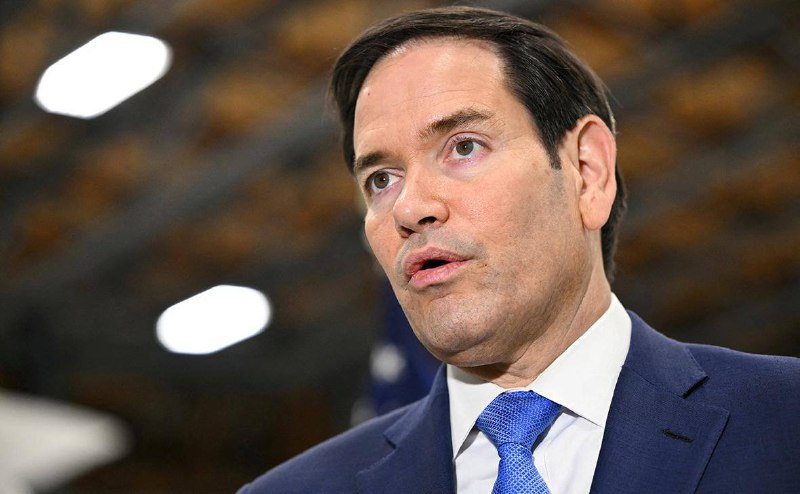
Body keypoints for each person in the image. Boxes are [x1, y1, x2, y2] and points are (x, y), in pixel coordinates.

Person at [239, 6, 800, 493]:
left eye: (464, 147)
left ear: (587, 172)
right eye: (381, 179)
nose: (409, 208)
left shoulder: (784, 421)